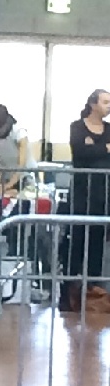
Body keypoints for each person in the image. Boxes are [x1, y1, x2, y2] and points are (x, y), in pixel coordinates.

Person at [60, 89, 110, 312]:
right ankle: (69, 293)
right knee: (75, 242)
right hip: (81, 194)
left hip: (104, 195)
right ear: (93, 104)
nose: (109, 106)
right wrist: (104, 149)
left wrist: (95, 148)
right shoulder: (77, 127)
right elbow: (80, 151)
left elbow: (91, 152)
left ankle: (93, 294)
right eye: (106, 102)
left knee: (98, 243)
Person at [0, 104, 34, 193]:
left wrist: (8, 186)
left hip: (27, 176)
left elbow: (21, 166)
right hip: (6, 177)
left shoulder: (19, 133)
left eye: (1, 127)